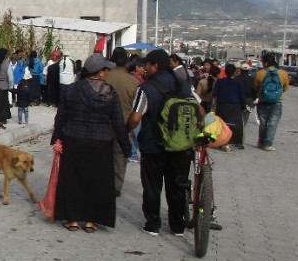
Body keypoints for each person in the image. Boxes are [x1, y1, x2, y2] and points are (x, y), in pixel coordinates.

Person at [53, 54, 131, 232]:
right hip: (101, 143)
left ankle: (72, 219)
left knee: (73, 180)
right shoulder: (110, 93)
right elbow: (118, 123)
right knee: (97, 182)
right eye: (106, 70)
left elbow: (61, 117)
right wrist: (126, 147)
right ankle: (91, 221)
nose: (108, 73)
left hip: (74, 140)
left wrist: (56, 137)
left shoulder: (71, 90)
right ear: (100, 72)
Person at [126, 49, 198, 237]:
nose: (145, 68)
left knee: (152, 186)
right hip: (179, 146)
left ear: (155, 66)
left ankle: (153, 224)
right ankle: (177, 225)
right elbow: (197, 109)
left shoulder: (146, 88)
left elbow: (135, 118)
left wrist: (126, 130)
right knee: (176, 186)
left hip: (153, 145)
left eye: (147, 65)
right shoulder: (183, 85)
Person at [105, 46, 140, 194]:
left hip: (104, 122)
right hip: (125, 124)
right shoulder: (133, 82)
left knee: (104, 153)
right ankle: (116, 186)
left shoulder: (104, 77)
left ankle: (102, 181)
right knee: (119, 156)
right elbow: (135, 107)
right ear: (126, 63)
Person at [253, 52, 290, 152]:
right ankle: (268, 144)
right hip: (277, 102)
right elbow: (285, 87)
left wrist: (260, 95)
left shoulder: (260, 73)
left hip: (263, 101)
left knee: (263, 122)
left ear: (265, 63)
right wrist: (277, 94)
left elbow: (256, 88)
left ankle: (261, 142)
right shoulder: (283, 73)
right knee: (273, 123)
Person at [212, 63, 245, 150]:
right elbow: (242, 95)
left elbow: (215, 94)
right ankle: (237, 141)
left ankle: (222, 140)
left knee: (223, 123)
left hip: (222, 104)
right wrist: (243, 106)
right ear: (234, 72)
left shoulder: (220, 81)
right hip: (235, 105)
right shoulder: (238, 82)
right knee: (237, 124)